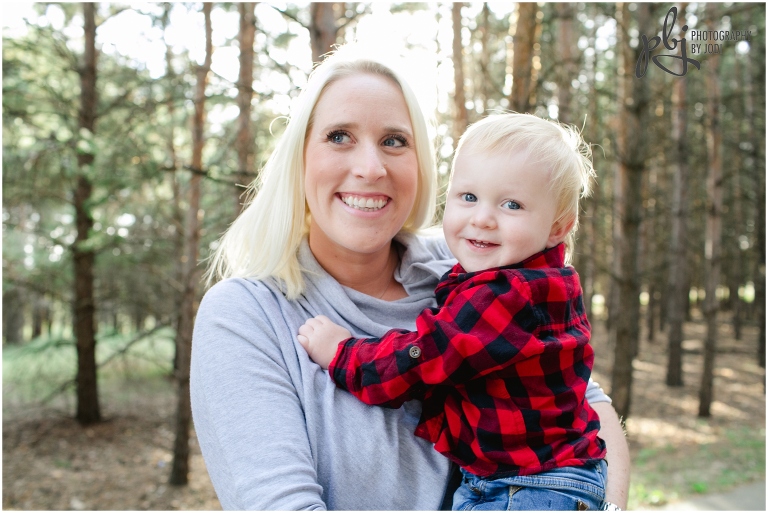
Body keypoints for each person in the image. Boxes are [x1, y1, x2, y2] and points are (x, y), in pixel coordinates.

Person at [190, 44, 630, 510]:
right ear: (298, 158)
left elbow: (586, 403)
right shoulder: (247, 314)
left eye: (394, 141)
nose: (370, 168)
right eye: (339, 136)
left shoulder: (469, 268)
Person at [298, 113, 610, 511]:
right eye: (468, 197)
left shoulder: (504, 295)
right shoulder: (542, 279)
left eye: (512, 204)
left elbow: (423, 359)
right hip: (549, 475)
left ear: (557, 228)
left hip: (526, 486)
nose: (482, 218)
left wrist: (344, 354)